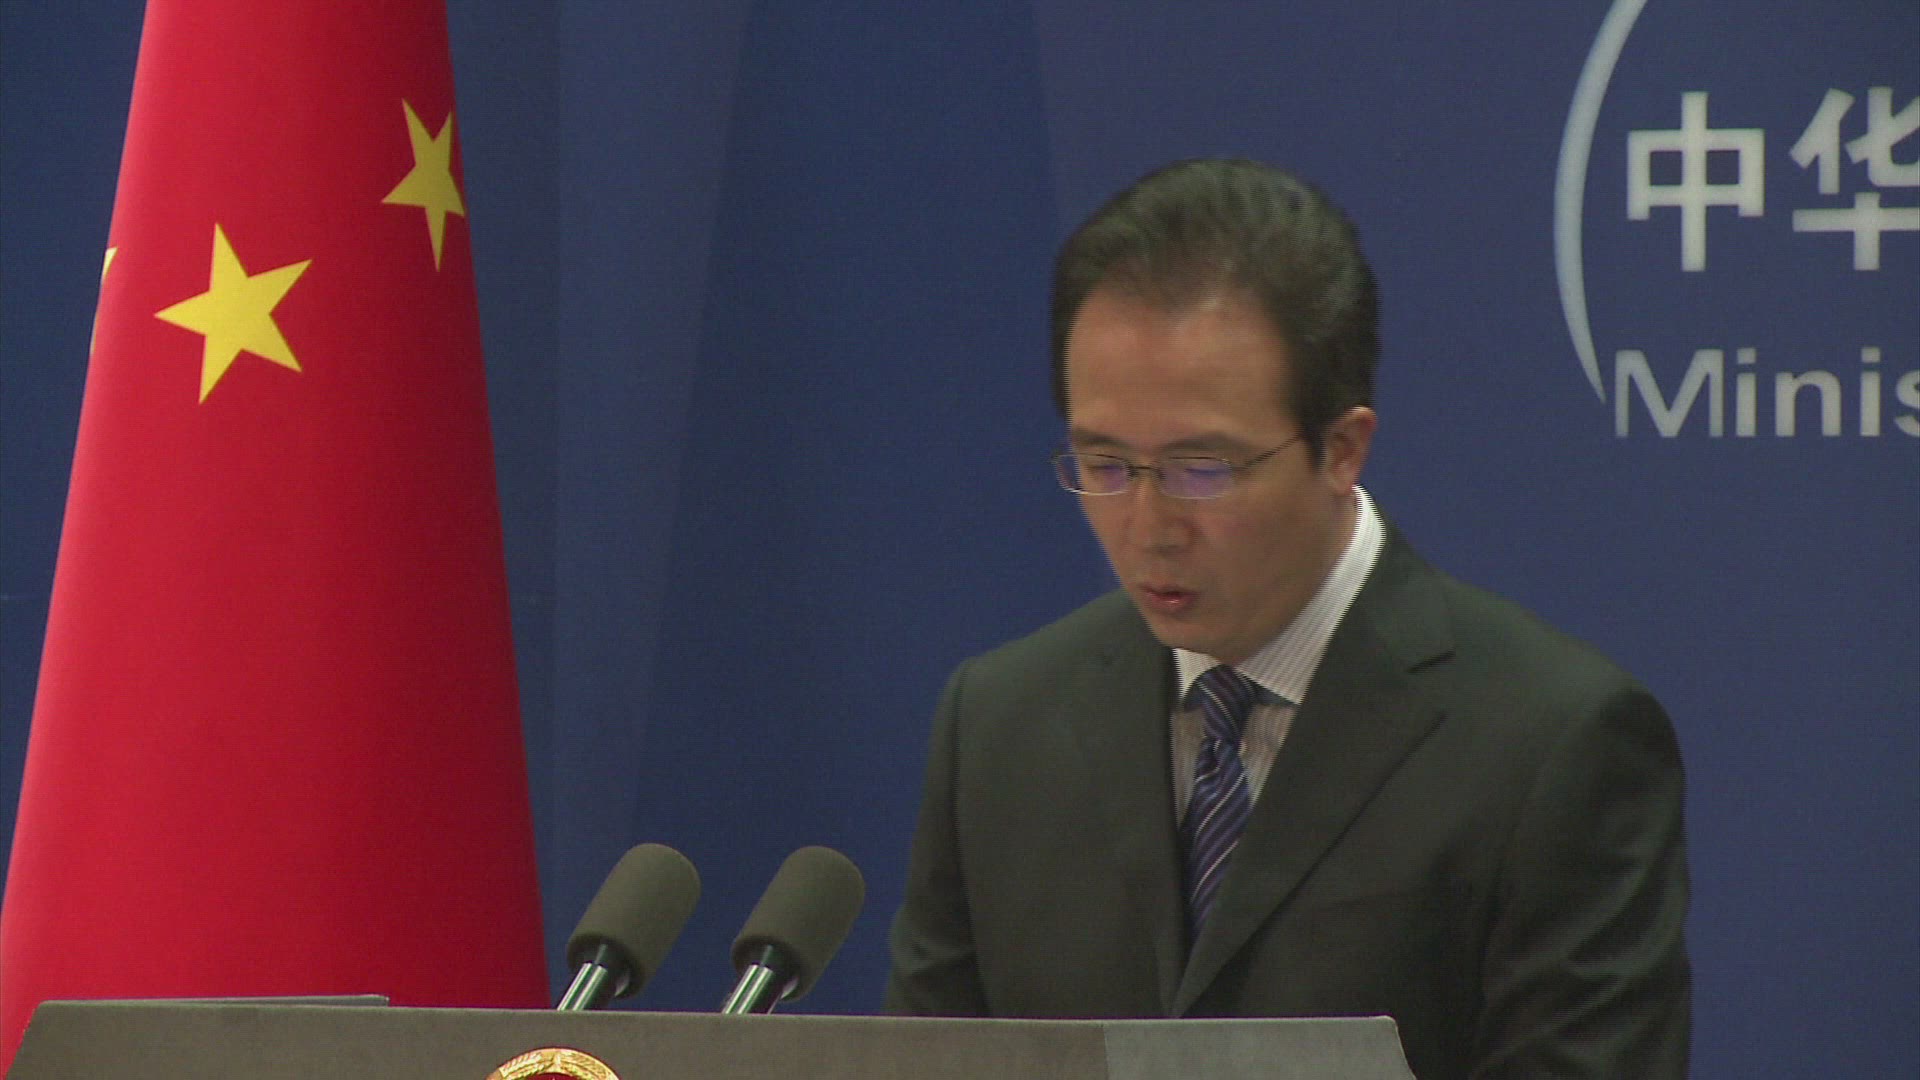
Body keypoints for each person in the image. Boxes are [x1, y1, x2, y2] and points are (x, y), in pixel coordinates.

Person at [883, 158, 1690, 1079]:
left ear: (1342, 448)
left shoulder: (1552, 745)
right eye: (1103, 464)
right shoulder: (1000, 723)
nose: (1148, 526)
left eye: (1201, 469)